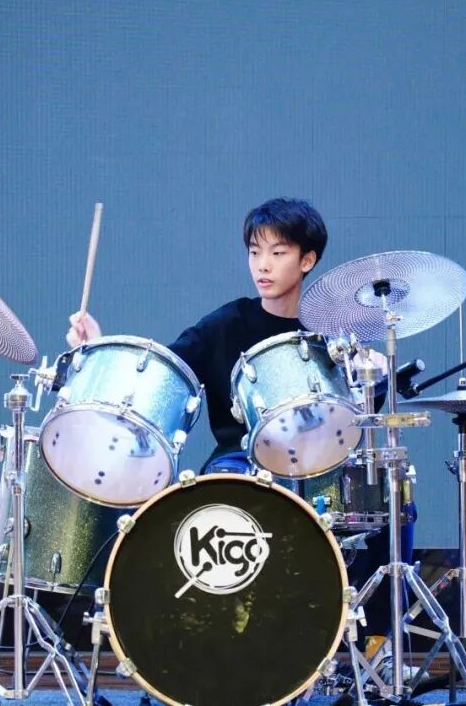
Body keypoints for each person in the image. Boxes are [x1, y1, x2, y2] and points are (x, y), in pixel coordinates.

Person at [66, 197, 410, 660]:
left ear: (307, 260)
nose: (262, 265)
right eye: (254, 251)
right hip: (239, 460)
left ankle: (377, 643)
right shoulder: (225, 324)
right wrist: (96, 347)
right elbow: (160, 374)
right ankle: (215, 643)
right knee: (219, 491)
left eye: (278, 252)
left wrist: (374, 375)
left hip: (320, 464)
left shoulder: (333, 332)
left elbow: (362, 412)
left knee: (388, 493)